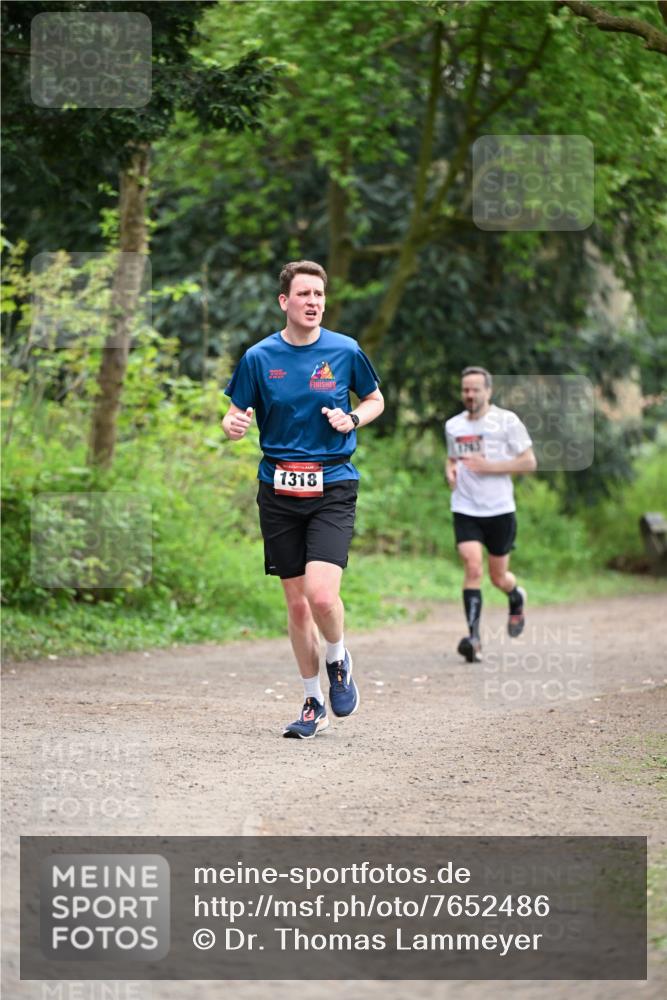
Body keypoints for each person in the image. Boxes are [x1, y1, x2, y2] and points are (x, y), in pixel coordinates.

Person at [222, 261, 384, 738]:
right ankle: (313, 700)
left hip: (332, 484)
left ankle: (338, 658)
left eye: (319, 294)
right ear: (284, 302)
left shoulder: (345, 350)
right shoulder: (258, 357)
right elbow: (235, 415)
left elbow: (375, 399)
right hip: (278, 487)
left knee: (320, 595)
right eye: (304, 294)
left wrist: (353, 419)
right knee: (296, 607)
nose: (313, 302)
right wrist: (232, 426)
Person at [444, 366, 537, 663]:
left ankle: (515, 595)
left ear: (488, 391)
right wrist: (450, 469)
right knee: (472, 568)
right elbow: (452, 457)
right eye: (465, 390)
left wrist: (490, 467)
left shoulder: (506, 421)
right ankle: (474, 639)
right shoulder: (453, 425)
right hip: (465, 507)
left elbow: (529, 462)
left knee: (498, 577)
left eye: (475, 390)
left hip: (499, 509)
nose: (469, 395)